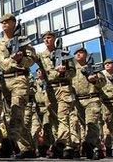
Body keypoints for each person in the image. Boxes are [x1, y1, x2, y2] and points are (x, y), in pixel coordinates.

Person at [0, 13, 36, 159]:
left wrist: (21, 59)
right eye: (2, 22)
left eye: (7, 21)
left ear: (14, 23)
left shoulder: (23, 41)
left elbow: (32, 59)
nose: (4, 24)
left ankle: (8, 144)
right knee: (12, 115)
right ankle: (27, 148)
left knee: (17, 111)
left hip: (19, 78)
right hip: (4, 81)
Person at [36, 31, 76, 159]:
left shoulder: (64, 54)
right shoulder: (41, 56)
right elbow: (30, 60)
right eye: (45, 38)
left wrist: (64, 72)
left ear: (54, 39)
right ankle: (61, 145)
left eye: (49, 38)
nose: (47, 40)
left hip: (63, 87)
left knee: (63, 117)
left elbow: (73, 72)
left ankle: (62, 145)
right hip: (50, 90)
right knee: (53, 119)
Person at [72, 47, 106, 159]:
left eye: (81, 52)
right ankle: (92, 148)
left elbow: (103, 83)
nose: (78, 55)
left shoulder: (93, 67)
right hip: (78, 101)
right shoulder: (72, 70)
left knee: (91, 123)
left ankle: (90, 145)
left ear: (85, 55)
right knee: (82, 126)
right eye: (76, 53)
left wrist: (95, 80)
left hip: (92, 99)